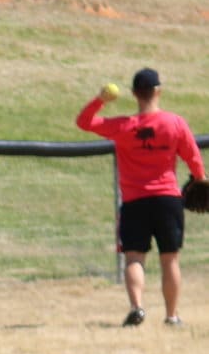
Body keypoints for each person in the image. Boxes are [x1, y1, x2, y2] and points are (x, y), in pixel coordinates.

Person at [77, 68, 203, 327]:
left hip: (135, 201)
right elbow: (193, 158)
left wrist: (100, 99)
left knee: (134, 257)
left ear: (135, 94)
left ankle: (137, 307)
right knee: (170, 258)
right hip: (168, 199)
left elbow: (84, 122)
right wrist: (200, 180)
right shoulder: (174, 122)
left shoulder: (124, 126)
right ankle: (171, 316)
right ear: (158, 91)